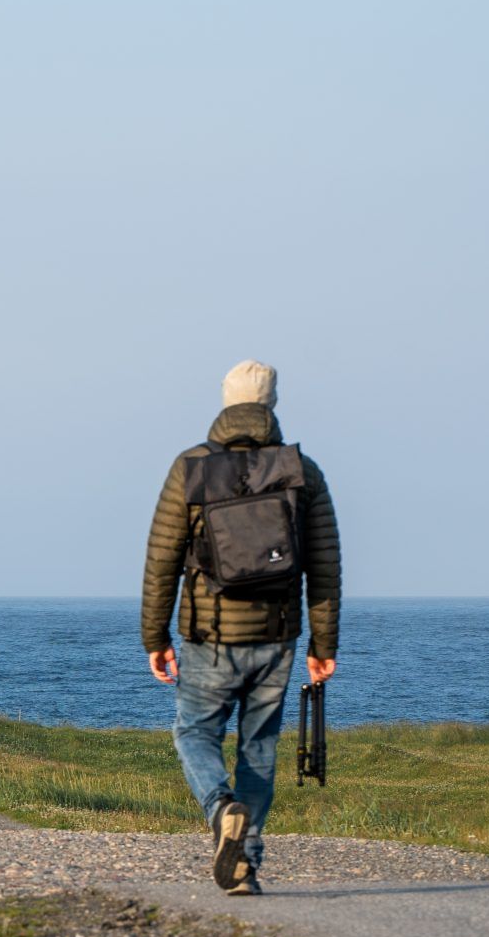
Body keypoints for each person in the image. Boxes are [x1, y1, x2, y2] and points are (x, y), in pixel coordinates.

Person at [140, 359, 340, 895]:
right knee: (260, 746)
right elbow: (323, 564)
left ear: (225, 403)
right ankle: (245, 861)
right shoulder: (302, 471)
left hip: (207, 635)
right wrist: (325, 644)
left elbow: (162, 559)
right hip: (277, 636)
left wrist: (154, 637)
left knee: (194, 731)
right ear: (271, 404)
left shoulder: (191, 467)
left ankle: (219, 807)